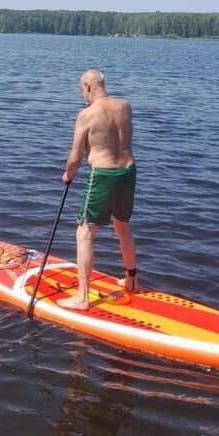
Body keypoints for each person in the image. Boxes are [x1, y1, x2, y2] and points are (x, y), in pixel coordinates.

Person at [58, 69, 137, 310]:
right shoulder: (125, 106)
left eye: (82, 89)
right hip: (128, 173)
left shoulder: (87, 114)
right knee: (123, 227)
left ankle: (82, 298)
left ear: (88, 87)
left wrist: (68, 175)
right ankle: (132, 280)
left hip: (103, 175)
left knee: (84, 234)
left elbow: (75, 157)